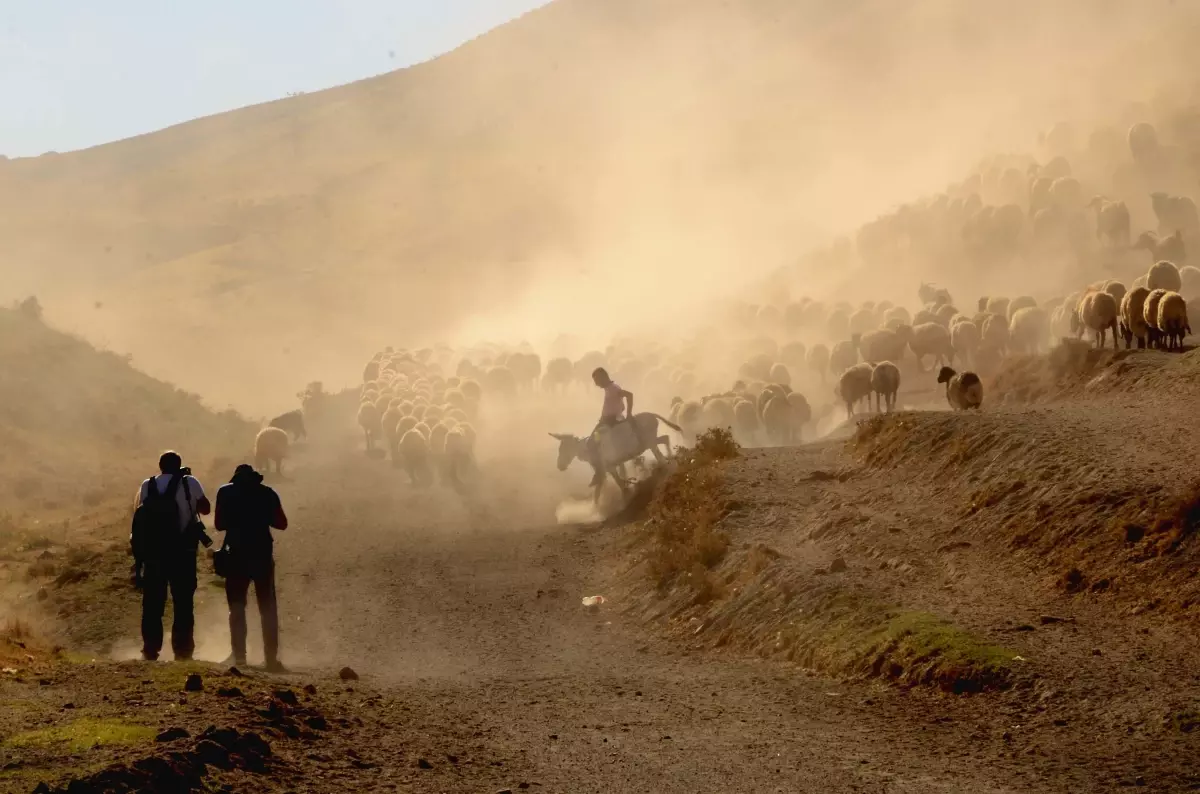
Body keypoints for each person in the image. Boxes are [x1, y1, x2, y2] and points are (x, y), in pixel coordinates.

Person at [131, 451, 211, 662]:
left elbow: (138, 514)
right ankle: (183, 651)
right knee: (183, 603)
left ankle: (150, 649)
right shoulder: (189, 482)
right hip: (182, 552)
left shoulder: (147, 485)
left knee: (152, 604)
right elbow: (206, 509)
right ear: (179, 465)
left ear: (160, 466)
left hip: (154, 554)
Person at [215, 464, 289, 672]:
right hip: (261, 553)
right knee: (267, 607)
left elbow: (219, 524)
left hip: (236, 554)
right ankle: (271, 658)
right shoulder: (267, 493)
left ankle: (239, 656)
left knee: (237, 606)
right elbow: (282, 523)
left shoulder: (225, 492)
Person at [586, 367, 634, 486]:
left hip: (608, 422)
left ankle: (599, 474)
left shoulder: (613, 388)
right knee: (594, 444)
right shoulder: (610, 388)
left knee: (590, 444)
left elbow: (629, 395)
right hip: (606, 421)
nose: (596, 384)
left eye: (596, 380)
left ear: (603, 377)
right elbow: (620, 405)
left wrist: (629, 414)